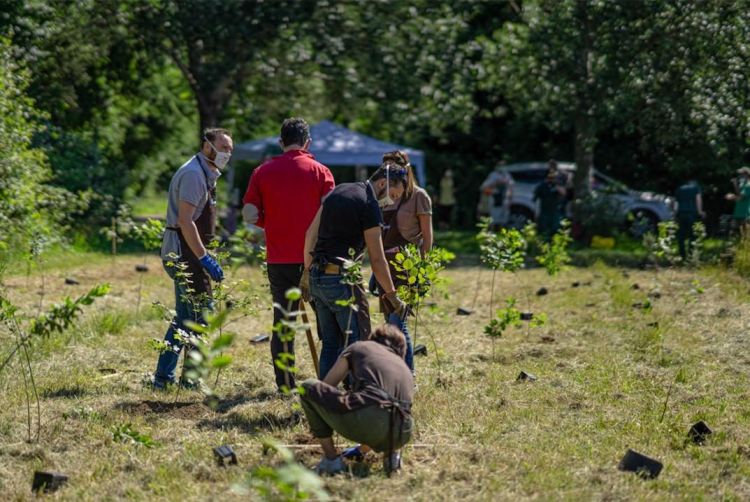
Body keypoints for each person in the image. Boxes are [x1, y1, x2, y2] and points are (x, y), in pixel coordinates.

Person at [242, 118, 335, 392]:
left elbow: (249, 214)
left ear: (281, 142)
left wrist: (267, 224)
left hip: (279, 258)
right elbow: (331, 214)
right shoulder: (321, 172)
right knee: (328, 320)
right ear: (307, 142)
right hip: (315, 258)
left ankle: (285, 385)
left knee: (282, 324)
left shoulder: (262, 171)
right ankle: (329, 380)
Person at [300, 163, 408, 381]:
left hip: (317, 277)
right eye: (394, 194)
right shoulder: (369, 204)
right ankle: (355, 400)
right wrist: (392, 295)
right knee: (358, 344)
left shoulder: (338, 190)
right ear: (382, 183)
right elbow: (377, 260)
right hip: (340, 280)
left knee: (331, 343)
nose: (392, 202)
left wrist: (306, 273)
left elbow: (310, 233)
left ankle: (322, 399)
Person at [153, 128, 232, 389]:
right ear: (207, 146)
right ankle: (182, 380)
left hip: (192, 253)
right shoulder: (193, 175)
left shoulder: (206, 173)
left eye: (230, 149)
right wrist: (204, 257)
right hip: (183, 253)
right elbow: (185, 222)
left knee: (188, 318)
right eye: (223, 148)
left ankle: (167, 378)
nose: (226, 154)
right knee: (197, 317)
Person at [299, 324, 414, 475]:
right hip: (403, 432)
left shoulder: (359, 347)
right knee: (390, 405)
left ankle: (331, 460)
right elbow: (390, 411)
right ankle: (392, 457)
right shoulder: (405, 368)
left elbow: (327, 386)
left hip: (367, 418)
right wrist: (361, 450)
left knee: (309, 387)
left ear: (373, 339)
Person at [371, 151, 432, 373]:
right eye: (385, 169)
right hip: (384, 267)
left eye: (394, 168)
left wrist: (422, 272)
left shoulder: (419, 196)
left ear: (405, 169)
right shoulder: (381, 197)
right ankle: (394, 373)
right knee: (389, 324)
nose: (389, 175)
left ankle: (408, 375)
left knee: (399, 322)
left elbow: (427, 239)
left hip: (407, 268)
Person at [533, 162, 566, 239]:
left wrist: (556, 185)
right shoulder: (541, 186)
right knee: (543, 230)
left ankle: (552, 245)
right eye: (550, 176)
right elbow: (536, 200)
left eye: (553, 176)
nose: (552, 178)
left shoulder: (557, 185)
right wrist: (536, 214)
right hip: (544, 211)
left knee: (555, 229)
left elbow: (563, 193)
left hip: (555, 211)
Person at [674, 180, 705, 260]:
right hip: (692, 214)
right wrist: (700, 211)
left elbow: (676, 203)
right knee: (692, 235)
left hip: (681, 214)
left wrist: (675, 214)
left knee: (681, 236)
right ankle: (691, 255)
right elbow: (698, 199)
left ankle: (682, 255)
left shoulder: (680, 189)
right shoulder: (696, 188)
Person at [480, 161, 514, 229]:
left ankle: (502, 229)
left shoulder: (507, 175)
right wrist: (496, 183)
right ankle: (492, 229)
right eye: (501, 165)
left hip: (505, 197)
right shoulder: (493, 175)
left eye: (504, 165)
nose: (502, 167)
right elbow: (483, 187)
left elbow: (511, 186)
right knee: (494, 214)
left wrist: (510, 196)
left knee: (504, 215)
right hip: (495, 197)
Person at [725, 167, 750, 235]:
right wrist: (733, 194)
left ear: (746, 175)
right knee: (733, 232)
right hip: (738, 212)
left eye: (741, 174)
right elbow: (739, 194)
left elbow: (740, 198)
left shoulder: (748, 186)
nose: (739, 176)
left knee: (745, 235)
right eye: (739, 174)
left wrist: (731, 197)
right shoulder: (742, 184)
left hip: (745, 214)